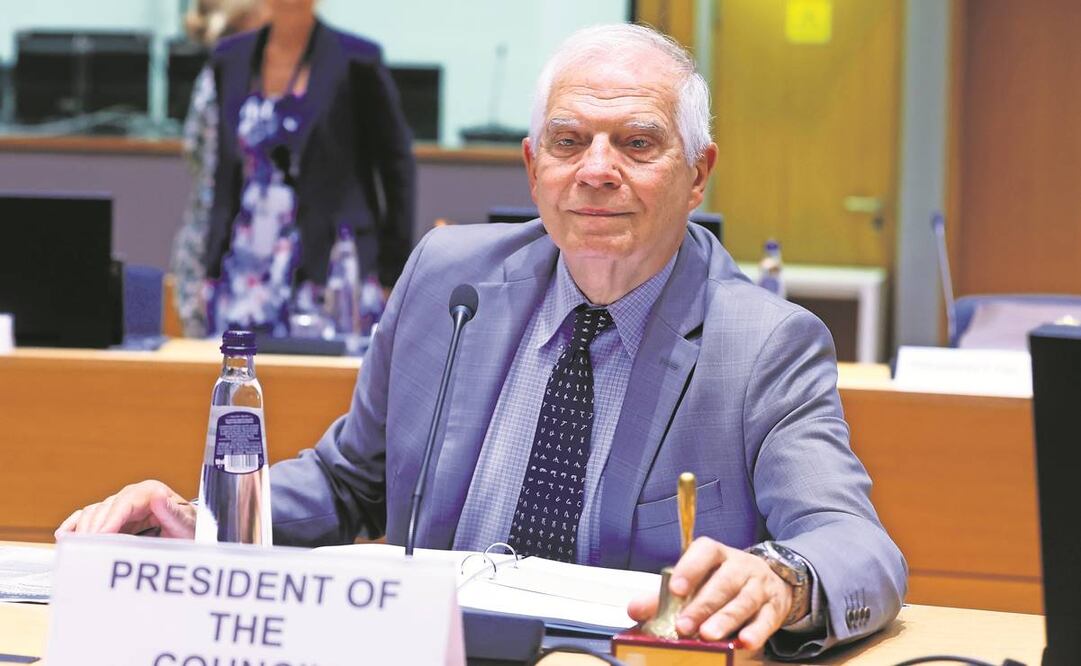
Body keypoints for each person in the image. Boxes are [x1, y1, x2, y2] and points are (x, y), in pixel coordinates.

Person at [58, 24, 905, 658]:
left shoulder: (765, 343)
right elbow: (350, 479)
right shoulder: (448, 279)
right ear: (534, 167)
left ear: (697, 174)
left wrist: (783, 578)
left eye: (637, 144)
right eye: (569, 142)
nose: (596, 170)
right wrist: (204, 520)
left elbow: (855, 544)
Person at [178, 0, 415, 336]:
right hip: (245, 261)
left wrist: (394, 271)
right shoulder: (229, 58)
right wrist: (210, 266)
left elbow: (397, 166)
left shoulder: (357, 59)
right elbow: (223, 172)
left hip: (328, 263)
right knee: (238, 366)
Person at [171, 0, 269, 338]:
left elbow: (193, 150)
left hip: (213, 245)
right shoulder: (234, 75)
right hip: (227, 248)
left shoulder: (216, 74)